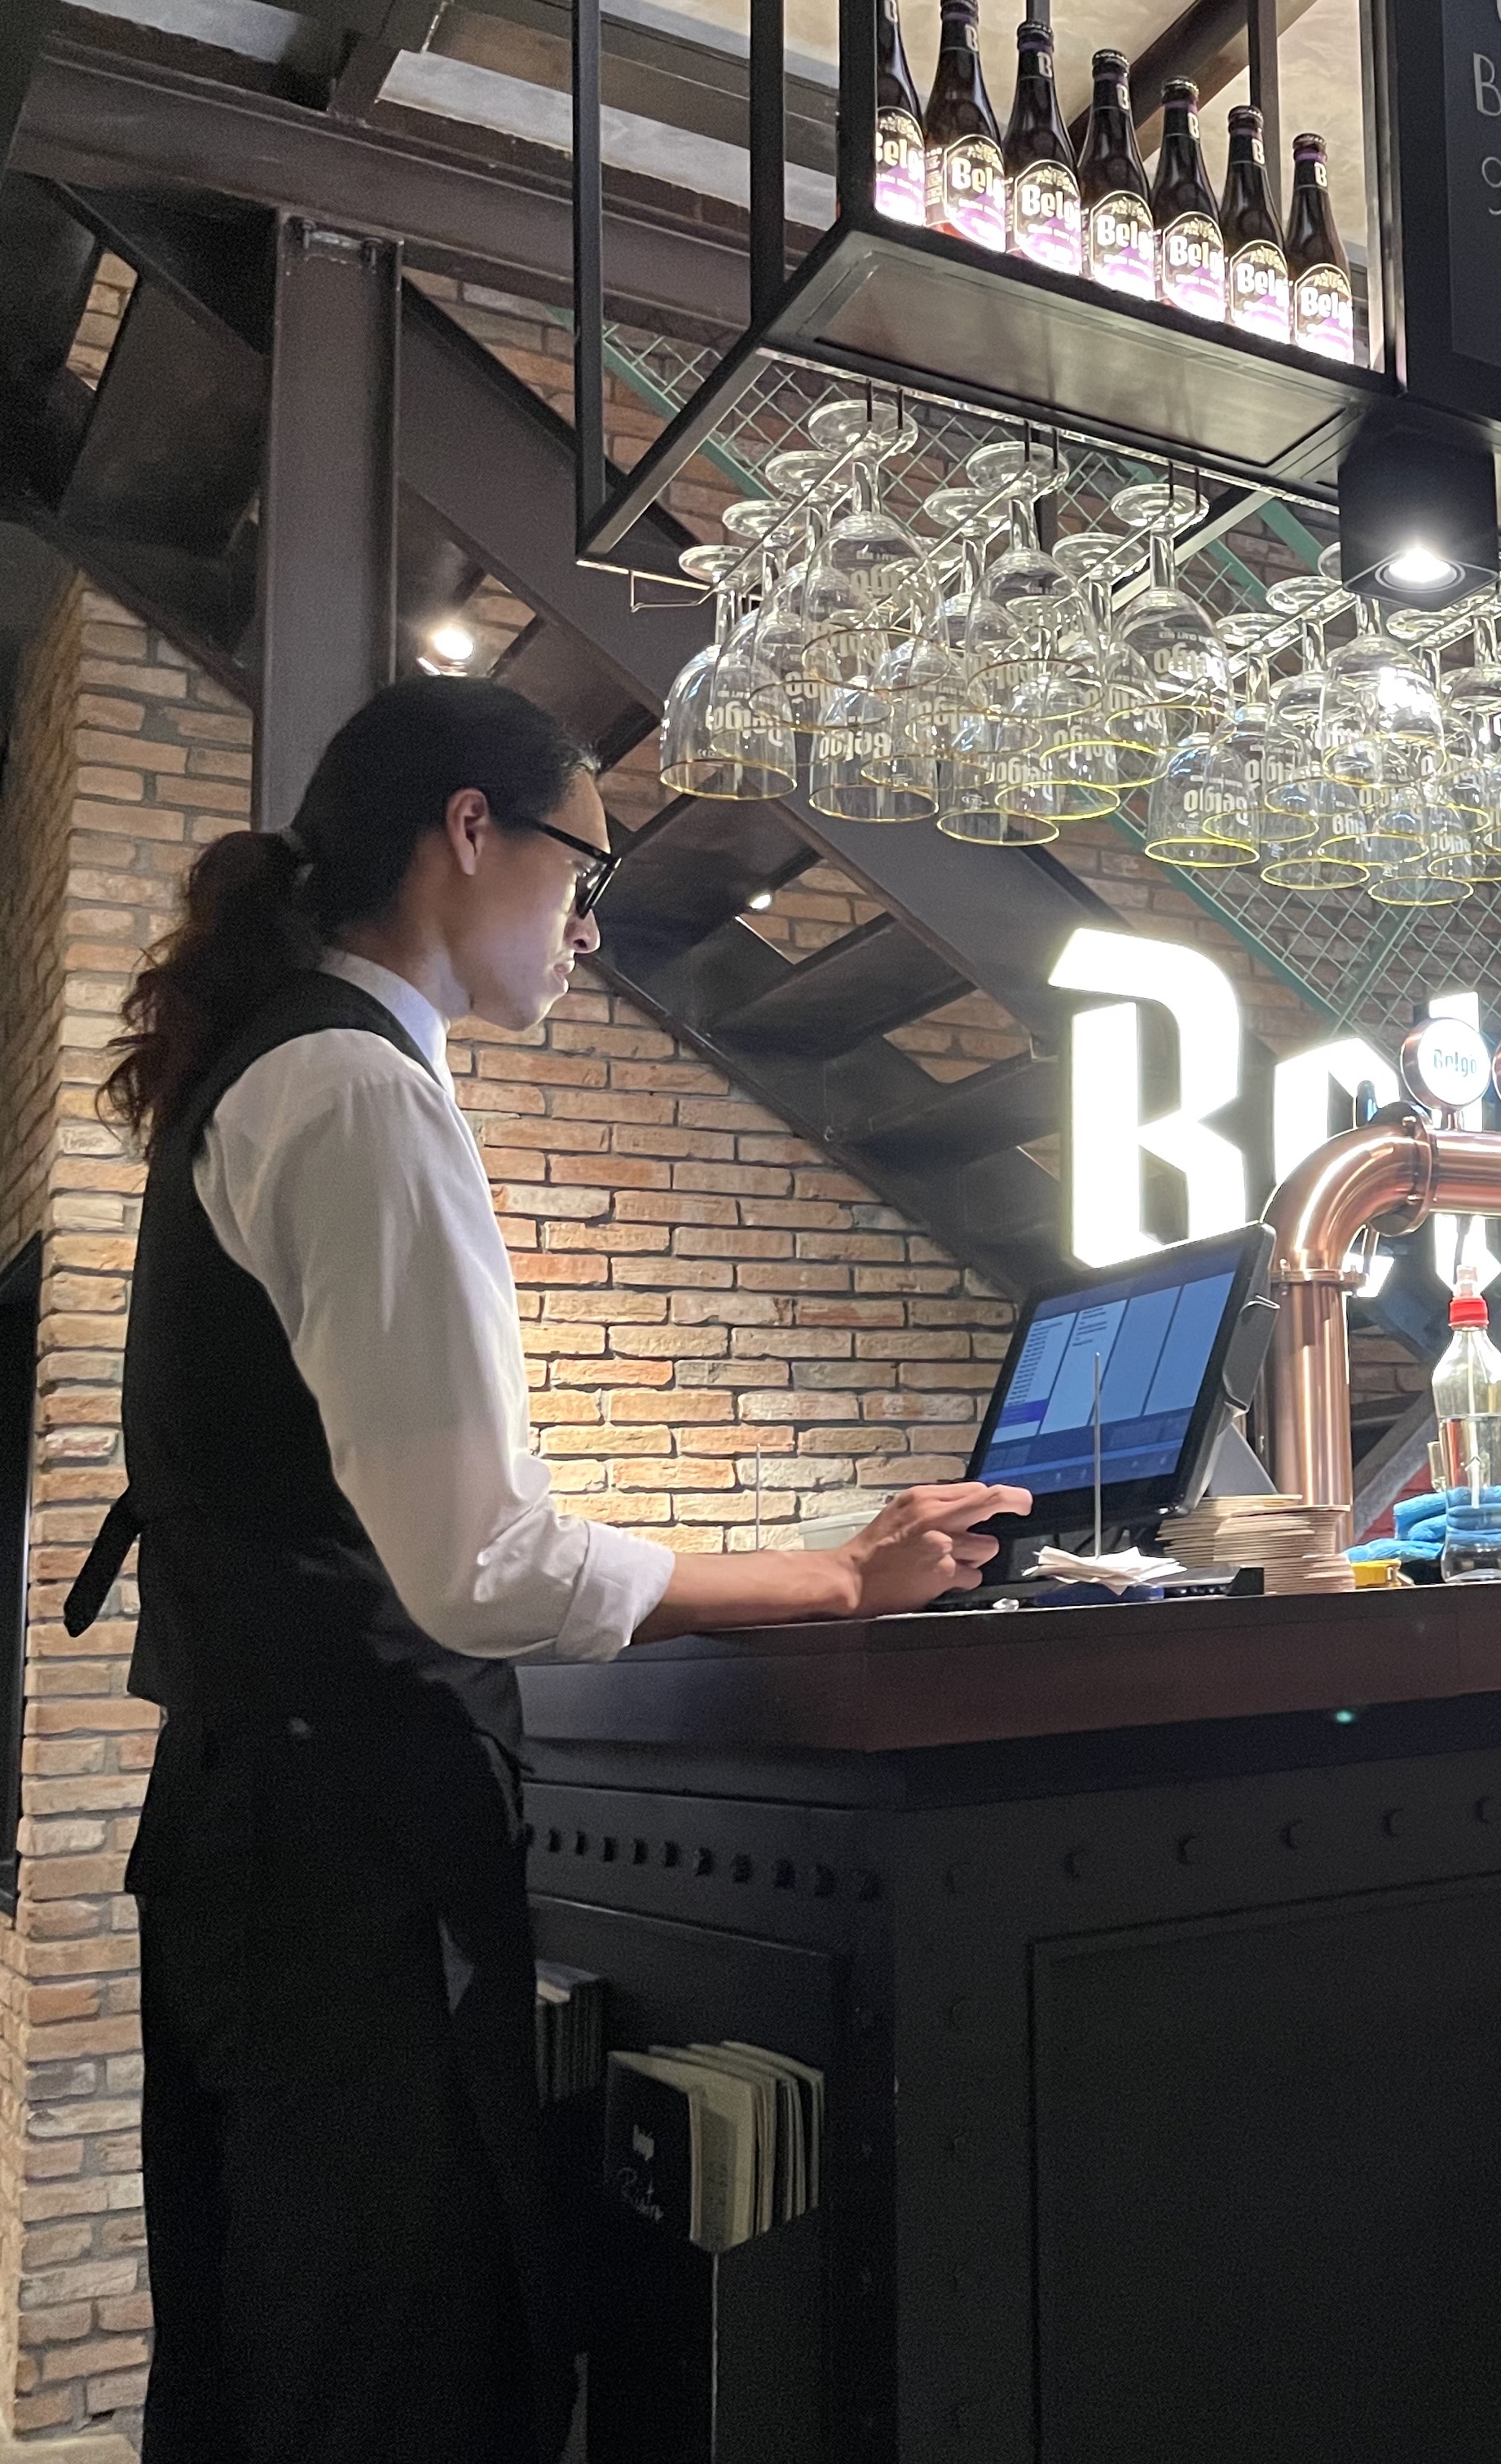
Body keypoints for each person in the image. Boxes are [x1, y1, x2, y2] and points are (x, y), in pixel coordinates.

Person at [73, 676, 1026, 2462]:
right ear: (467, 831)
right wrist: (836, 1580)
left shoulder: (281, 1064)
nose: (590, 927)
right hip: (342, 1847)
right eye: (584, 872)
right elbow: (484, 1569)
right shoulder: (356, 1090)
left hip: (258, 1827)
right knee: (390, 2376)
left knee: (283, 2346)